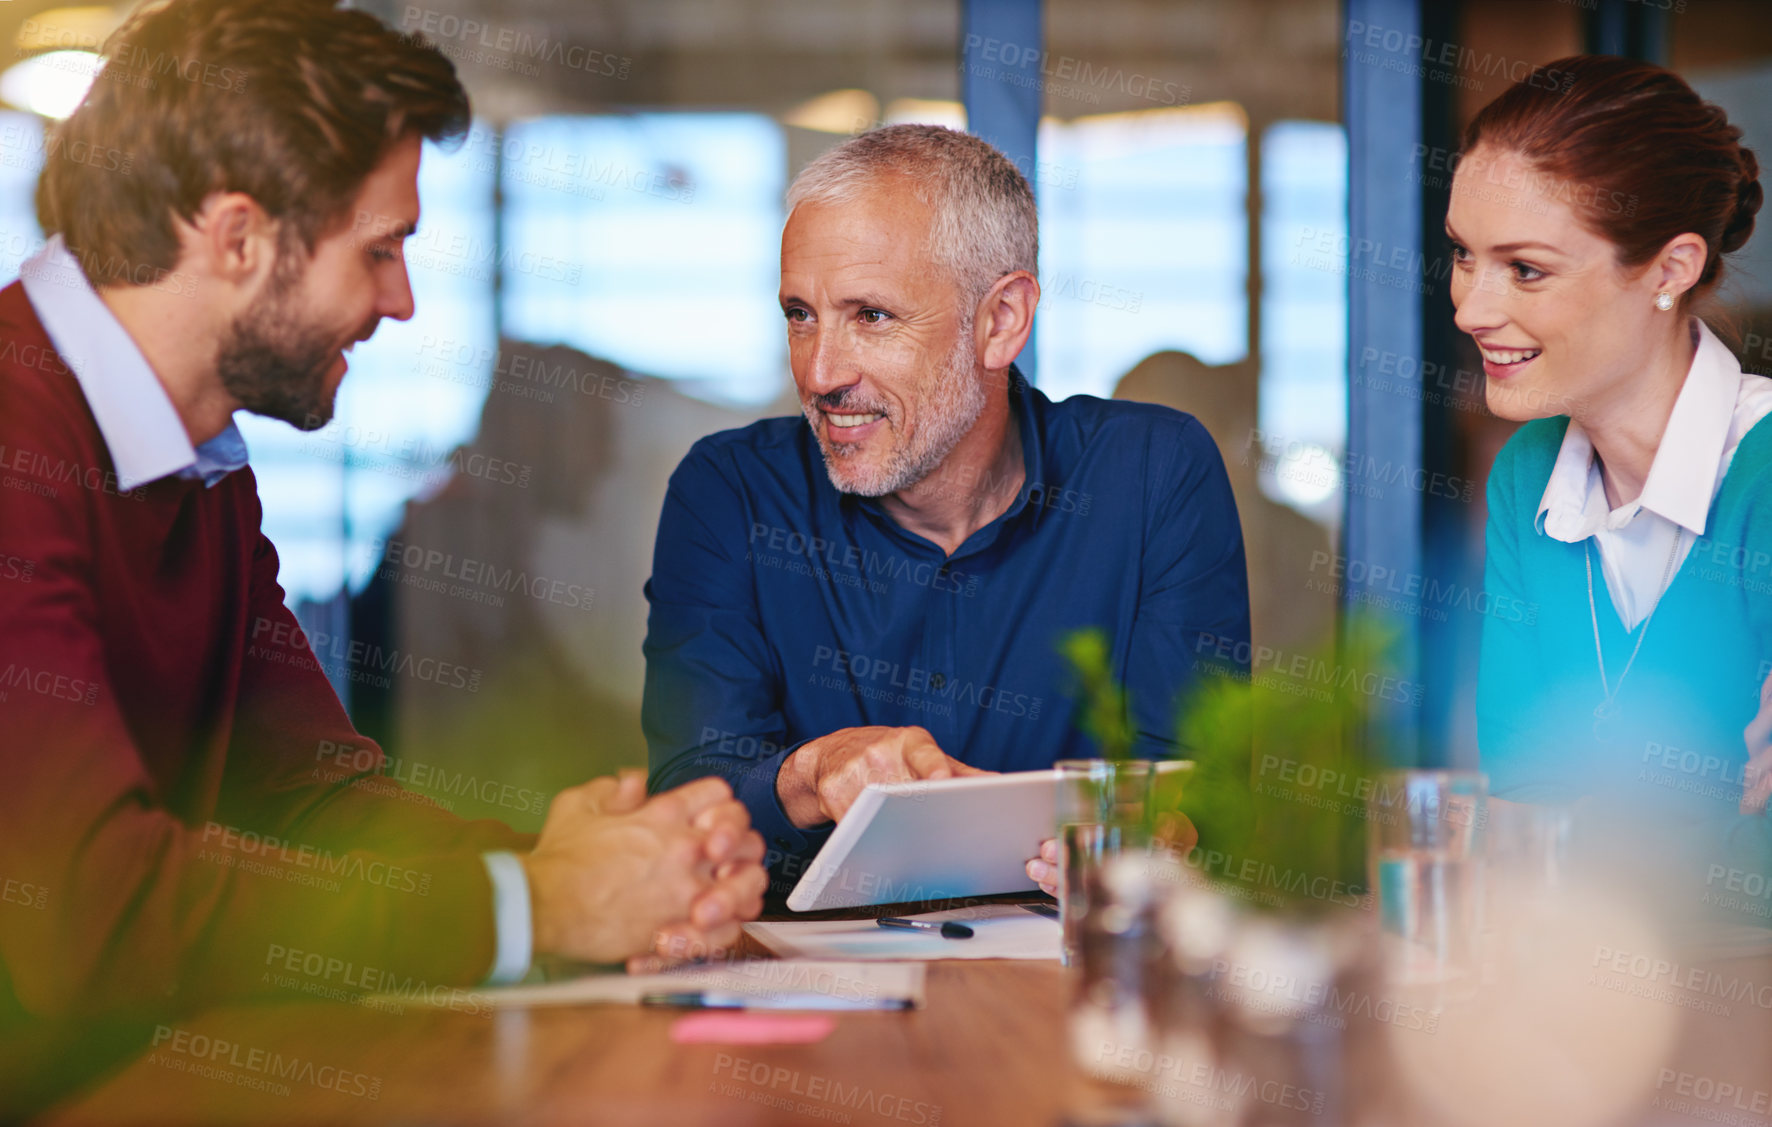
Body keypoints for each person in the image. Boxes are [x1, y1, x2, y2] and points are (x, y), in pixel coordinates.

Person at [0, 0, 765, 1098]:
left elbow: (311, 795)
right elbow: (93, 910)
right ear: (235, 237)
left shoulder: (196, 460)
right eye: (381, 248)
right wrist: (534, 905)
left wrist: (568, 865)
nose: (402, 301)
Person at [642, 124, 1249, 895]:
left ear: (1000, 322)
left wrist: (1163, 841)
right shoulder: (729, 493)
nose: (821, 372)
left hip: (1069, 986)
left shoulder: (1153, 477)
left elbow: (1205, 799)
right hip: (817, 999)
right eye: (800, 313)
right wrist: (811, 773)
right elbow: (685, 805)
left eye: (872, 316)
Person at [1461, 56, 1771, 926]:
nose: (1470, 308)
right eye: (1464, 255)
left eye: (1524, 269)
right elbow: (1518, 807)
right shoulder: (1529, 475)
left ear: (1670, 270)